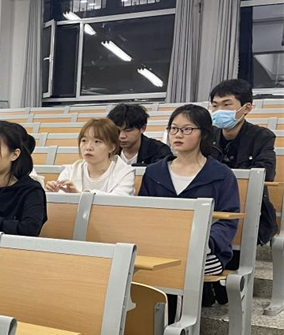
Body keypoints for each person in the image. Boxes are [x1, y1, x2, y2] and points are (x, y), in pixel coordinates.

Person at [140, 105, 240, 281]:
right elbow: (143, 214)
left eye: (187, 129)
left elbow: (227, 221)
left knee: (181, 269)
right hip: (160, 246)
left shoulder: (221, 174)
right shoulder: (154, 172)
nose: (178, 135)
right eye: (173, 128)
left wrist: (205, 243)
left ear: (204, 134)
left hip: (205, 251)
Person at [211, 78, 278, 245]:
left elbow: (266, 173)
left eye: (226, 105)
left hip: (248, 205)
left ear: (246, 108)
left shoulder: (262, 136)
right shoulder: (206, 136)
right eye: (215, 105)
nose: (219, 110)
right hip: (210, 202)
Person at [46, 118, 135, 196]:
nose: (88, 147)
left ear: (112, 147)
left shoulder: (125, 173)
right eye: (84, 140)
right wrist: (55, 191)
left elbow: (119, 201)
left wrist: (78, 195)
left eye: (97, 141)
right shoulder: (70, 171)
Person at [106, 102, 172, 166]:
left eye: (128, 130)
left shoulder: (160, 152)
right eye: (117, 130)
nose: (122, 136)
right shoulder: (106, 150)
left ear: (143, 128)